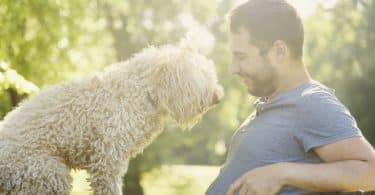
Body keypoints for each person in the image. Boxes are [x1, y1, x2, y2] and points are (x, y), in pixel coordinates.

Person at [205, 0, 375, 194]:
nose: (233, 69)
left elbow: (371, 173)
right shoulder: (273, 104)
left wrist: (282, 173)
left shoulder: (312, 103)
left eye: (241, 57)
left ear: (279, 51)